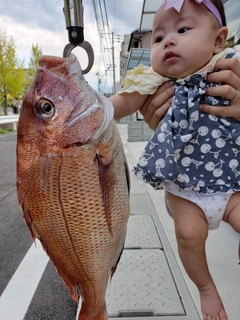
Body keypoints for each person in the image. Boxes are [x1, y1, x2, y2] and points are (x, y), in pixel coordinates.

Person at [110, 1, 240, 319]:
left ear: (219, 39)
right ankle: (206, 288)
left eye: (183, 30)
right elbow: (118, 105)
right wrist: (83, 111)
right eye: (158, 38)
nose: (168, 40)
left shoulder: (228, 66)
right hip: (184, 187)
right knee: (188, 234)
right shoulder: (151, 80)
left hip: (232, 181)